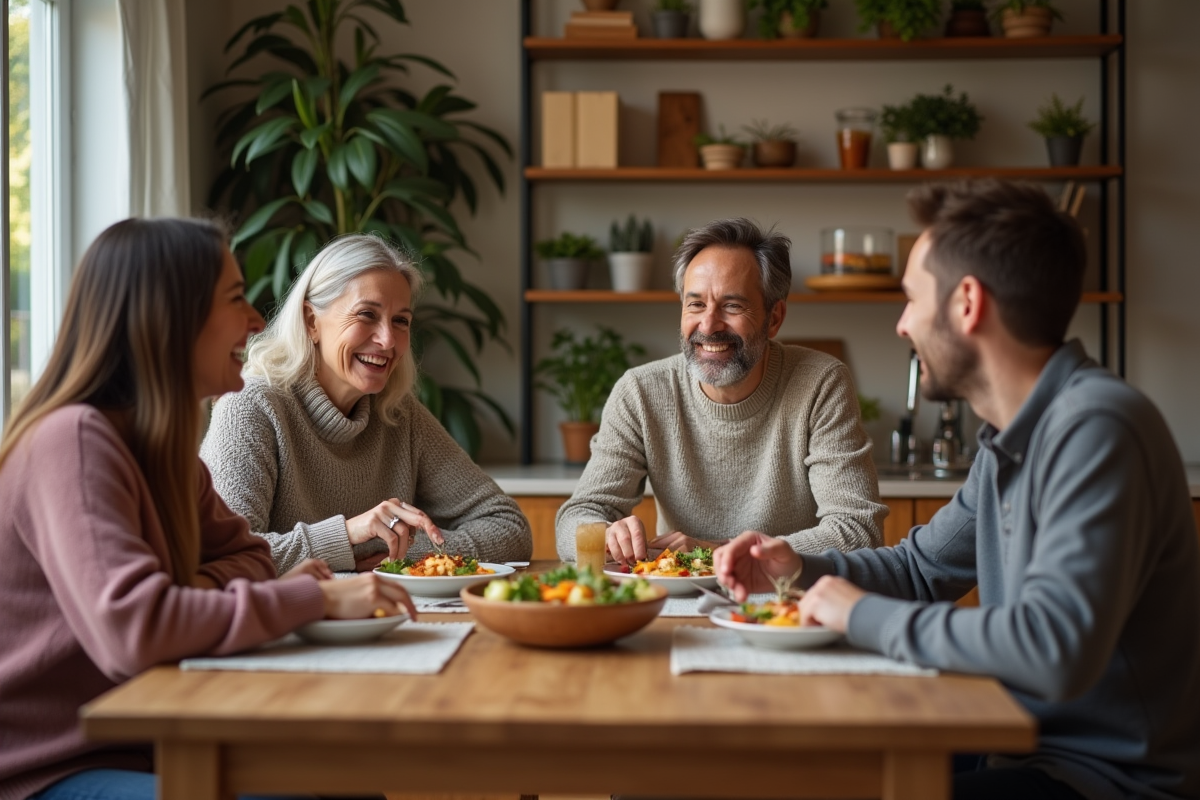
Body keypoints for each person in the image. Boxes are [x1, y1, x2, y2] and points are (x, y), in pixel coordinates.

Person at [716, 181, 1200, 800]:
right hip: (1021, 744)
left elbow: (1051, 646)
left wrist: (856, 613)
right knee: (807, 772)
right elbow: (922, 569)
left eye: (913, 299)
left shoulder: (1097, 430)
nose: (901, 325)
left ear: (967, 303)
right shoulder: (1012, 436)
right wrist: (799, 568)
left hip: (1101, 779)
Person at [0, 218, 415, 800]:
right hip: (50, 770)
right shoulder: (73, 440)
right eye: (235, 297)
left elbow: (249, 556)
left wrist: (183, 588)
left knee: (347, 779)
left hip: (151, 739)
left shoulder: (159, 450)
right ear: (169, 316)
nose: (255, 320)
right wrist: (314, 596)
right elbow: (137, 628)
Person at [555, 218, 886, 565]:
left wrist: (715, 553)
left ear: (774, 318)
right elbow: (576, 518)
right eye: (695, 304)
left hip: (785, 603)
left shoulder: (821, 383)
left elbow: (858, 531)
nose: (709, 325)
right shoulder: (640, 392)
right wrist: (604, 534)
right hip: (677, 596)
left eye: (731, 306)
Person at [201, 234, 531, 574]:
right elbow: (221, 553)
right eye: (366, 315)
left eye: (400, 321)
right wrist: (348, 536)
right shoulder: (250, 406)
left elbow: (509, 528)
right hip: (290, 624)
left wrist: (398, 549)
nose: (388, 340)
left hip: (384, 617)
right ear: (311, 321)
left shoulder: (399, 415)